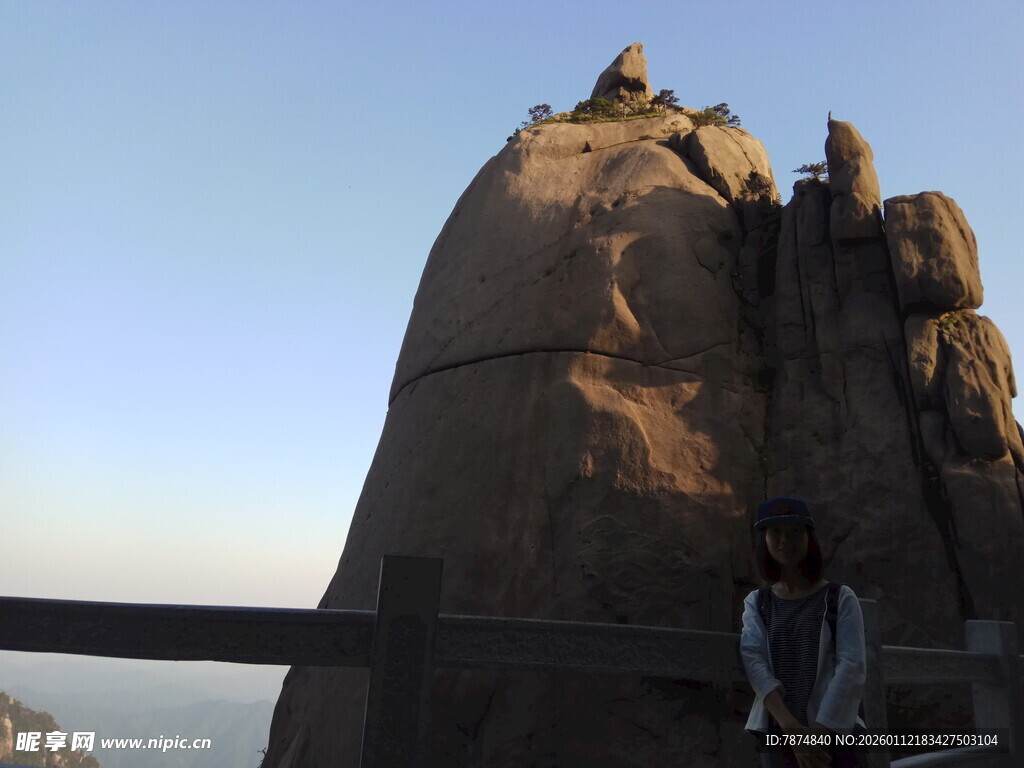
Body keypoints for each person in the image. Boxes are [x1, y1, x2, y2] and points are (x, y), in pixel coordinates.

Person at [739, 497, 866, 768]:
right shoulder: (757, 602)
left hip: (835, 733)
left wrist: (819, 733)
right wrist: (791, 728)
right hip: (780, 733)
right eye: (776, 532)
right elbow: (754, 660)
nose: (785, 540)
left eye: (795, 531)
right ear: (764, 539)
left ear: (809, 537)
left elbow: (852, 666)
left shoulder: (839, 597)